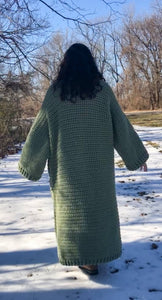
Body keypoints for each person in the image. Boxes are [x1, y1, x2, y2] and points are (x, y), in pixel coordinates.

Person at [18, 43, 149, 275]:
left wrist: (29, 163)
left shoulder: (55, 94)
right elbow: (121, 126)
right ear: (91, 64)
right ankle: (95, 258)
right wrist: (136, 156)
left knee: (74, 214)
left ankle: (86, 260)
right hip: (98, 171)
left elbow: (39, 131)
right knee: (98, 210)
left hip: (67, 174)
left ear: (65, 65)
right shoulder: (102, 91)